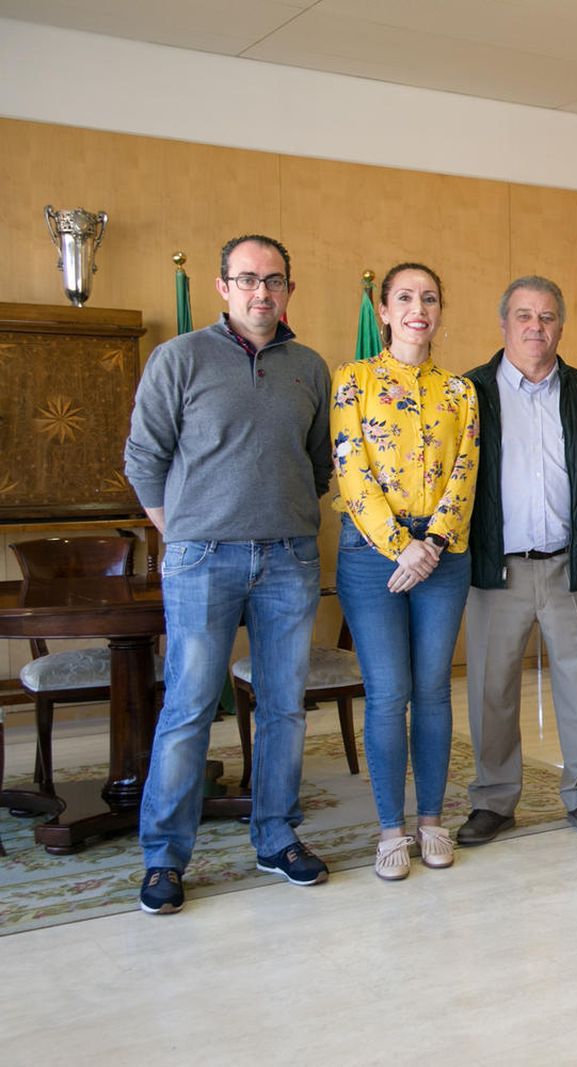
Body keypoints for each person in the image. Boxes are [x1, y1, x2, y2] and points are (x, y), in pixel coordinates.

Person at [125, 234, 332, 914]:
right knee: (188, 709)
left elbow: (317, 463)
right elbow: (143, 457)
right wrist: (180, 530)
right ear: (222, 287)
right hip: (200, 559)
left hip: (289, 558)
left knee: (283, 708)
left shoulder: (309, 366)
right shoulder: (177, 358)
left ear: (289, 290)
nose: (260, 292)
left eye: (273, 280)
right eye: (246, 279)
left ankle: (275, 837)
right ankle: (164, 857)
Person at [457, 276, 577, 849]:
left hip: (567, 564)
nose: (536, 327)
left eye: (547, 317)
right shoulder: (468, 392)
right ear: (503, 324)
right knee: (490, 687)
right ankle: (494, 800)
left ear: (561, 326)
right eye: (524, 316)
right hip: (494, 567)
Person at [330, 262, 479, 881]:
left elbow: (466, 470)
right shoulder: (352, 381)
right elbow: (350, 471)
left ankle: (432, 821)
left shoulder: (460, 392)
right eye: (405, 298)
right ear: (384, 312)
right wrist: (400, 545)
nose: (419, 307)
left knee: (434, 690)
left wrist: (433, 542)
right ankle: (391, 828)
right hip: (372, 557)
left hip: (444, 556)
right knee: (389, 694)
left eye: (430, 298)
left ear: (440, 311)